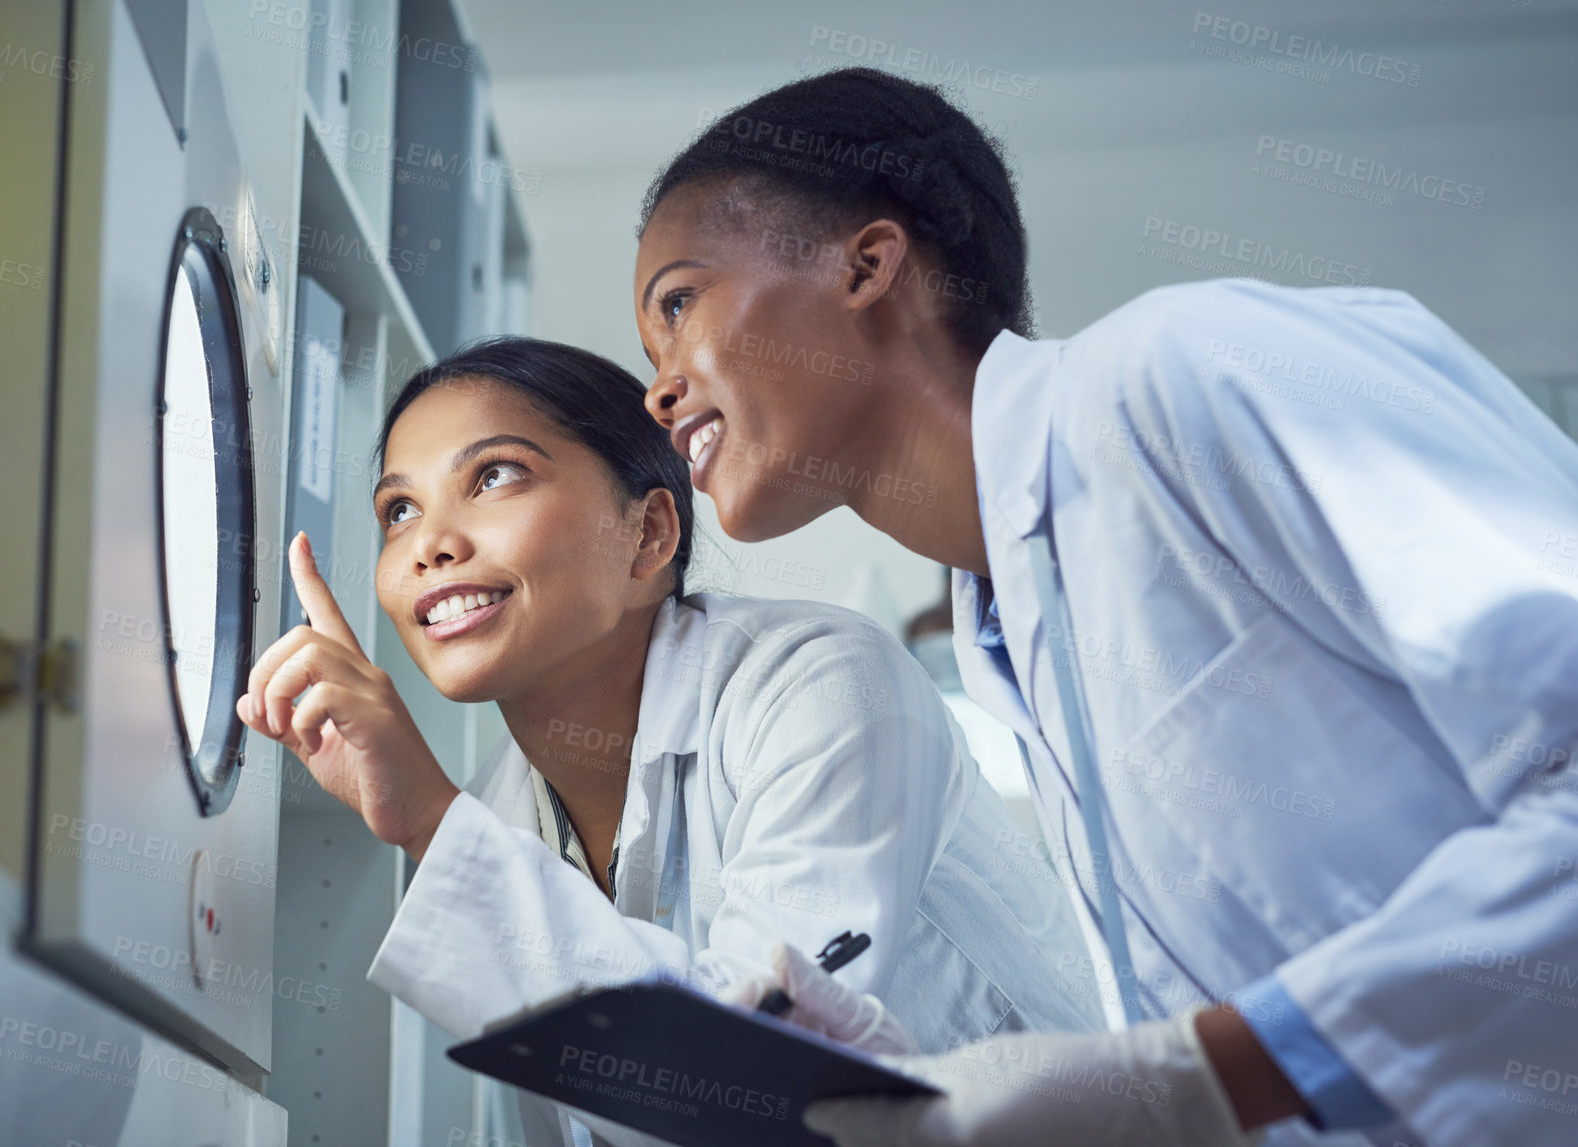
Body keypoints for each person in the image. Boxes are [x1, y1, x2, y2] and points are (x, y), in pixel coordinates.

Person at [631, 67, 1578, 1147]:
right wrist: (943, 1097)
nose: (656, 387)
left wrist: (1193, 1078)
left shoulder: (1183, 371)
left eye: (679, 302)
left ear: (869, 264)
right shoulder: (1006, 627)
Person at [234, 337, 1100, 1147]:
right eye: (398, 509)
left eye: (494, 475)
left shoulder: (823, 683)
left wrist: (427, 817)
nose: (429, 544)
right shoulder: (501, 808)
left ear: (648, 533)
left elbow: (753, 1081)